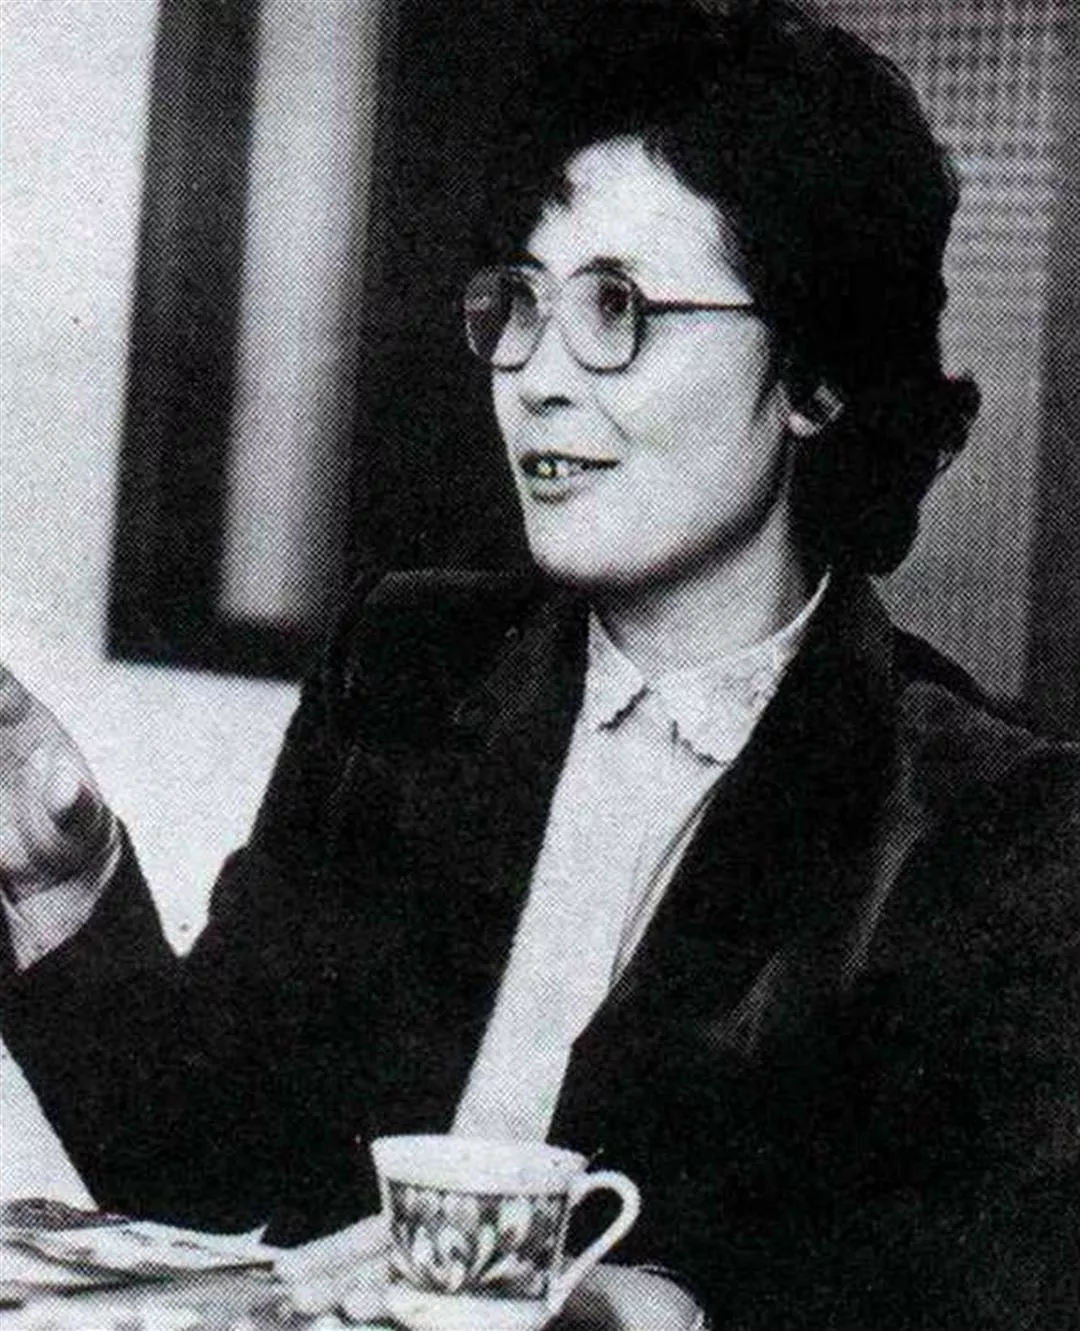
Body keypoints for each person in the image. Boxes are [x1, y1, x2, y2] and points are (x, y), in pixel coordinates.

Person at [2, 2, 1078, 1327]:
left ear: (817, 375)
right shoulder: (406, 666)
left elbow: (979, 1293)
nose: (537, 376)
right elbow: (214, 1173)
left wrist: (637, 1307)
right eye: (520, 302)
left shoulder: (987, 821)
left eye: (619, 307)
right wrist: (63, 883)